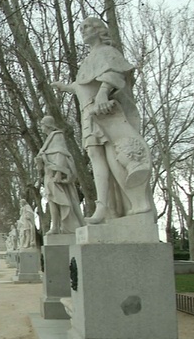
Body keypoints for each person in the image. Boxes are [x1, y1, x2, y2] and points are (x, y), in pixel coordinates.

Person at [51, 17, 153, 224]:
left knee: (114, 159)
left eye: (87, 26)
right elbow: (84, 84)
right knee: (97, 161)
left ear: (99, 30)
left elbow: (114, 74)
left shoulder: (107, 53)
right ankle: (105, 208)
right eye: (81, 27)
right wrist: (66, 87)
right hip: (89, 115)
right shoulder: (89, 60)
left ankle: (135, 202)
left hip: (103, 114)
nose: (83, 30)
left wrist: (103, 93)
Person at [35, 116, 85, 234]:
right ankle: (55, 227)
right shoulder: (48, 140)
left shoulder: (57, 136)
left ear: (47, 125)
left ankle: (61, 227)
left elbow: (61, 154)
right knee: (52, 200)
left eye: (42, 125)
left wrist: (59, 172)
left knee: (60, 200)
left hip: (57, 176)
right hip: (49, 174)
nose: (41, 127)